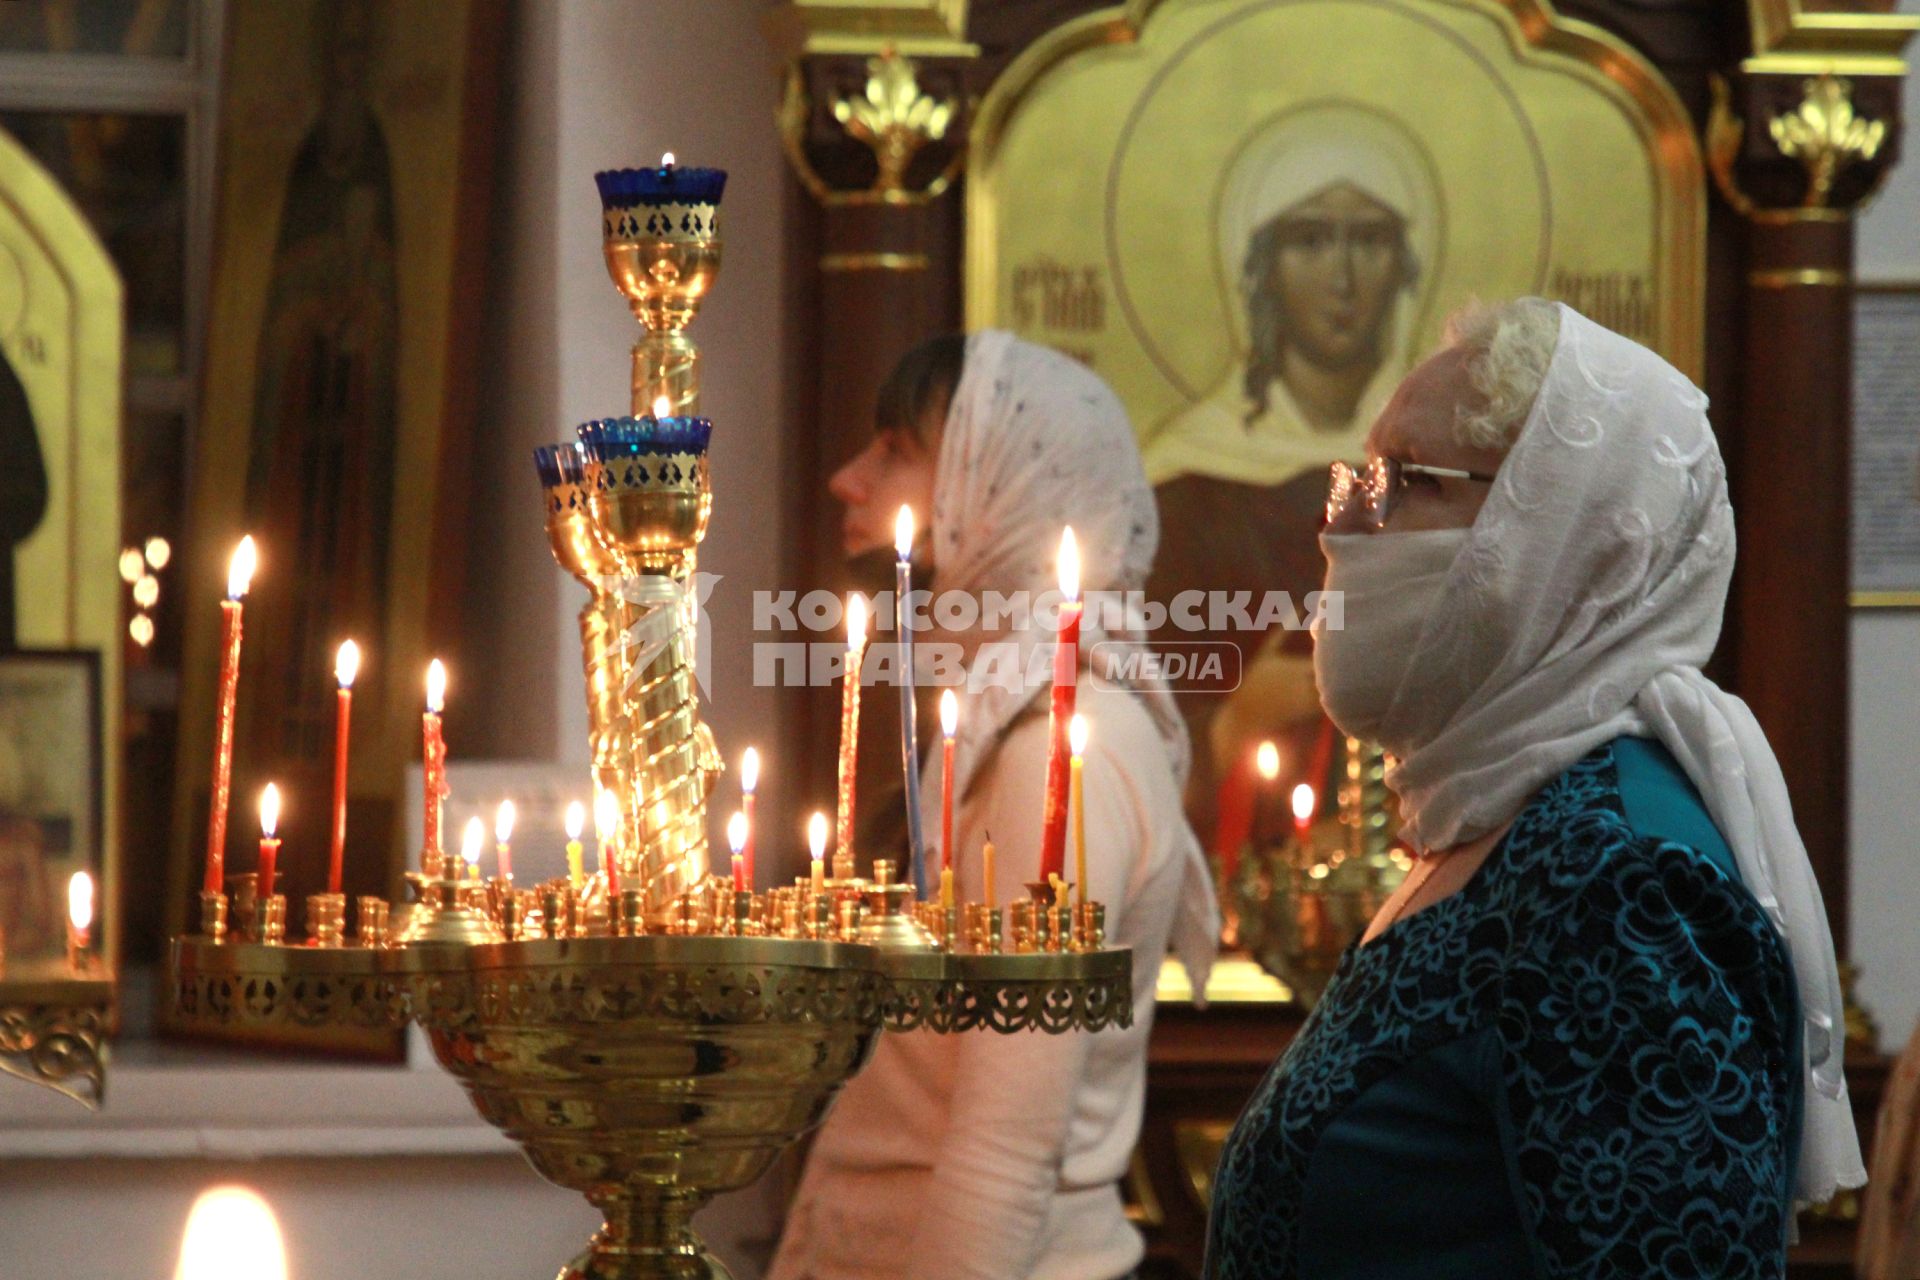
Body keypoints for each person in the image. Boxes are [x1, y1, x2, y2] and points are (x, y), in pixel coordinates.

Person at [1204, 298, 1863, 1278]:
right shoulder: (1493, 809)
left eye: (1404, 480)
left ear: (1560, 535)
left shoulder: (1619, 881)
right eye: (1357, 476)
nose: (1342, 517)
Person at [768, 332, 1219, 1280]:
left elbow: (1004, 1152)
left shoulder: (1056, 745)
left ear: (1001, 480)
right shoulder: (998, 710)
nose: (848, 478)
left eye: (895, 449)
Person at [1144, 106, 1434, 857]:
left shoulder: (1441, 479)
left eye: (1368, 241)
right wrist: (1234, 724)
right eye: (1309, 239)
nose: (1342, 276)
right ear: (1260, 266)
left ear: (1404, 264)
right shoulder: (1182, 493)